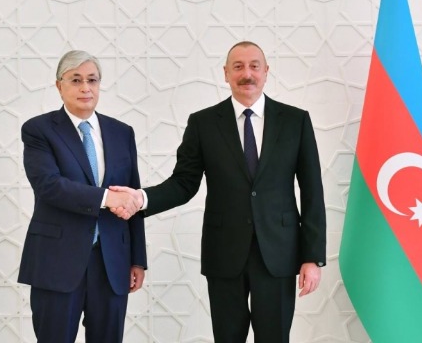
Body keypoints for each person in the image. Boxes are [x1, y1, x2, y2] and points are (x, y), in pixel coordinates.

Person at [110, 41, 326, 342]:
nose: (246, 74)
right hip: (224, 253)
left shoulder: (295, 121)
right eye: (238, 67)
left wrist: (312, 257)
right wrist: (140, 198)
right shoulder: (203, 123)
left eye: (254, 66)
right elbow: (183, 183)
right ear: (226, 73)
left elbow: (312, 191)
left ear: (266, 71)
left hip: (279, 253)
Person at [18, 50, 147, 343]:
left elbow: (132, 195)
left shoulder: (122, 132)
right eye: (75, 80)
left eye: (92, 80)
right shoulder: (39, 130)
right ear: (59, 86)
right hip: (57, 261)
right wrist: (106, 198)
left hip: (112, 262)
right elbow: (49, 185)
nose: (85, 87)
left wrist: (138, 259)